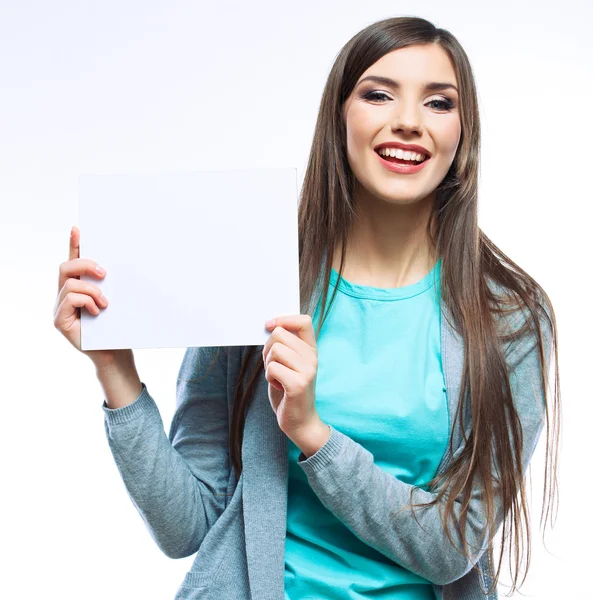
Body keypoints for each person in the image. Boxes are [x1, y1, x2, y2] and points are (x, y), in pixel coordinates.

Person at [53, 15, 561, 600]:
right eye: (378, 94)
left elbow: (452, 548)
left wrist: (313, 434)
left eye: (438, 103)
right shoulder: (256, 278)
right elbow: (186, 526)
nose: (408, 122)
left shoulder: (511, 318)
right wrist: (115, 370)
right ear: (339, 115)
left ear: (463, 131)